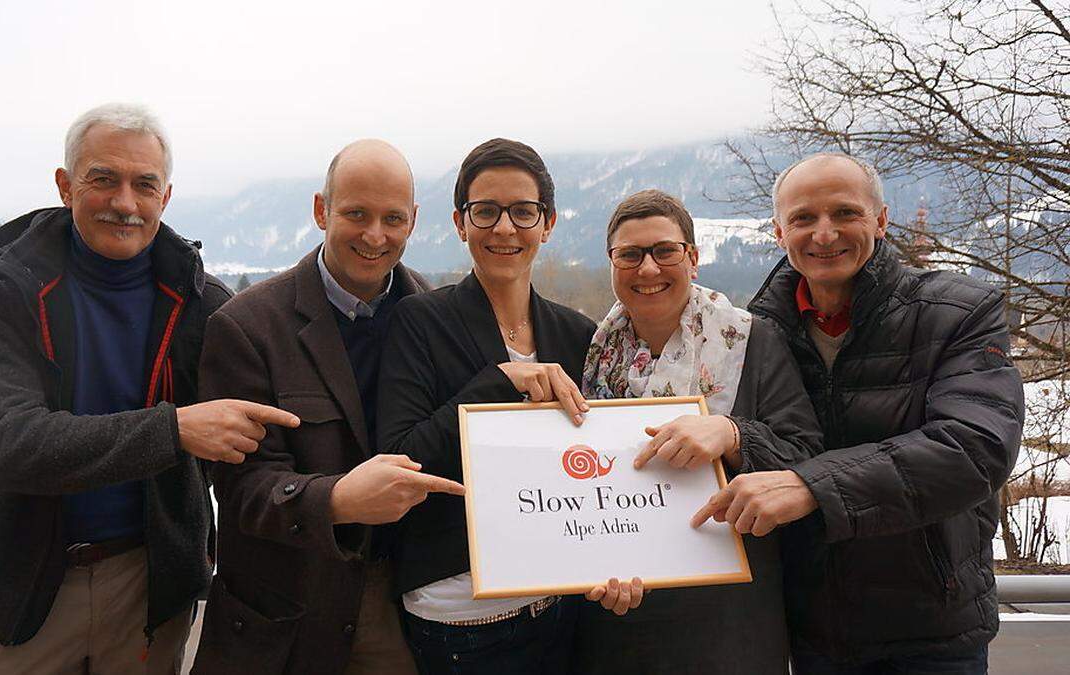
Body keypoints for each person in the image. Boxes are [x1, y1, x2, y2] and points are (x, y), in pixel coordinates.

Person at [0, 103, 299, 674]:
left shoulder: (202, 304)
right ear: (65, 186)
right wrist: (175, 429)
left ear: (166, 196)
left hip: (150, 579)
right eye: (103, 179)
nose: (125, 203)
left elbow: (265, 432)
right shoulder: (4, 290)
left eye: (144, 185)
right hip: (28, 578)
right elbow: (6, 443)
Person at [693, 153, 1023, 673]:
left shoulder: (958, 313)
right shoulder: (756, 332)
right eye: (803, 218)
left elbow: (974, 449)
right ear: (780, 232)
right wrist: (737, 437)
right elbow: (775, 443)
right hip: (811, 634)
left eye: (845, 213)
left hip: (930, 632)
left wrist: (810, 486)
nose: (824, 234)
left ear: (881, 221)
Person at [191, 139, 462, 675]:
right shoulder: (247, 327)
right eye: (356, 214)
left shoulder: (435, 319)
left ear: (413, 221)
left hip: (401, 605)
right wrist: (335, 500)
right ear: (321, 210)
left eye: (392, 218)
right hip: (288, 618)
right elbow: (240, 489)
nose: (375, 235)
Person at [568, 189, 822, 674]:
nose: (648, 269)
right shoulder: (594, 350)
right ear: (612, 263)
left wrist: (731, 434)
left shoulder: (751, 340)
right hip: (620, 608)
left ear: (693, 258)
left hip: (724, 612)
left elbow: (805, 455)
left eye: (664, 251)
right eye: (630, 255)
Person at [377, 138, 596, 674]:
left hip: (559, 601)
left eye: (523, 212)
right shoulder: (419, 322)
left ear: (547, 223)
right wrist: (500, 383)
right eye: (486, 211)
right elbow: (403, 460)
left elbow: (595, 469)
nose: (504, 228)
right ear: (460, 222)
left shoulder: (578, 334)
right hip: (460, 619)